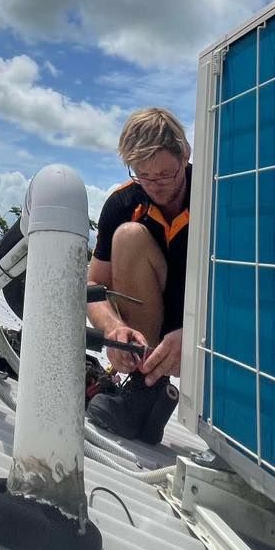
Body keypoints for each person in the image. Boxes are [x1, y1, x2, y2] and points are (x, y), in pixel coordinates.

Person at [86, 107, 191, 443]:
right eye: (143, 176)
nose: (155, 186)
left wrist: (197, 336)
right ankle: (144, 387)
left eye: (165, 175)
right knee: (128, 237)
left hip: (206, 331)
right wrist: (114, 328)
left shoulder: (218, 196)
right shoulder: (123, 202)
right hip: (151, 326)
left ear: (185, 155)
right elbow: (92, 287)